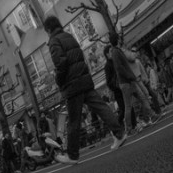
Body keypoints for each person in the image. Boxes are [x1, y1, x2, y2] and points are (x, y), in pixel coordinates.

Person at [44, 16, 126, 163]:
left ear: (48, 30)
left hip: (72, 84)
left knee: (74, 121)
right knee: (101, 107)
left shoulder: (54, 41)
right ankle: (119, 133)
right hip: (84, 79)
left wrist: (58, 80)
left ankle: (72, 155)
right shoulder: (69, 36)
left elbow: (60, 64)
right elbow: (81, 57)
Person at [109, 33, 158, 135]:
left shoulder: (117, 51)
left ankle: (152, 115)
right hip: (126, 82)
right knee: (128, 106)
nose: (121, 39)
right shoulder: (115, 52)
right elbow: (119, 68)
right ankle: (129, 128)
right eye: (119, 38)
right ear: (117, 39)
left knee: (142, 97)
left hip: (129, 81)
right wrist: (129, 76)